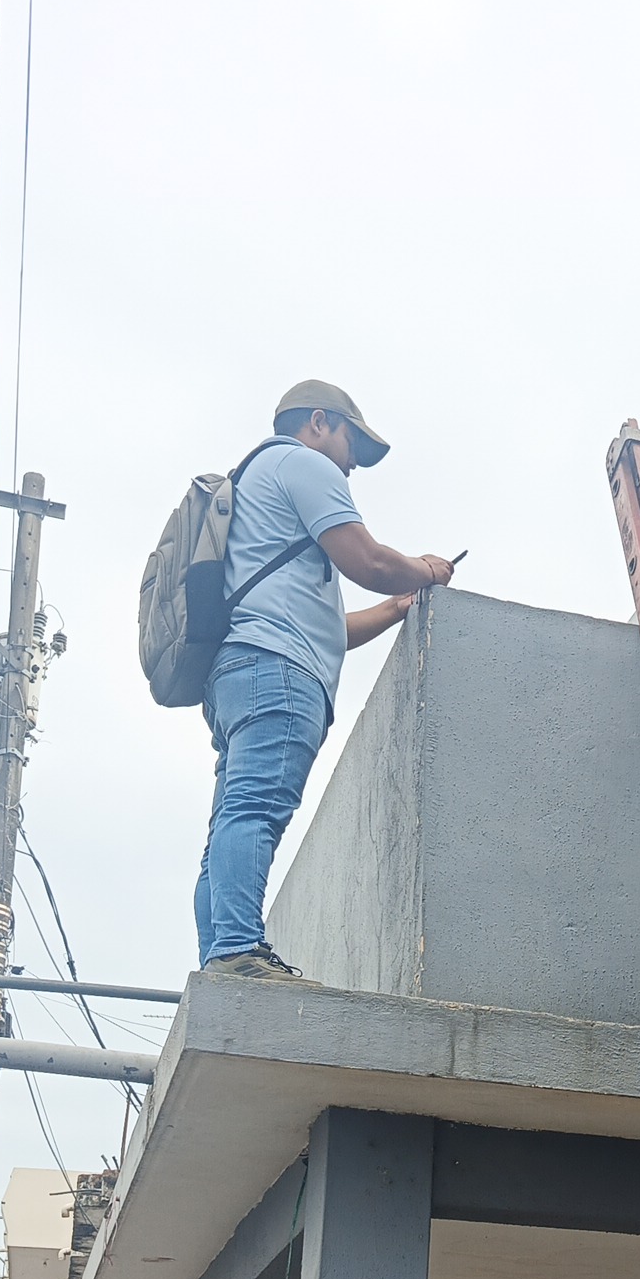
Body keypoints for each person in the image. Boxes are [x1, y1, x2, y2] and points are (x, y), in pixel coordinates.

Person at [196, 380, 458, 983]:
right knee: (255, 810)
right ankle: (237, 951)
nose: (351, 465)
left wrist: (393, 609)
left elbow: (326, 628)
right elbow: (369, 561)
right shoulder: (302, 463)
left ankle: (220, 959)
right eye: (351, 445)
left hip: (242, 669)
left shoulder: (258, 487)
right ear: (318, 422)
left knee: (232, 820)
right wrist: (425, 569)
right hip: (278, 671)